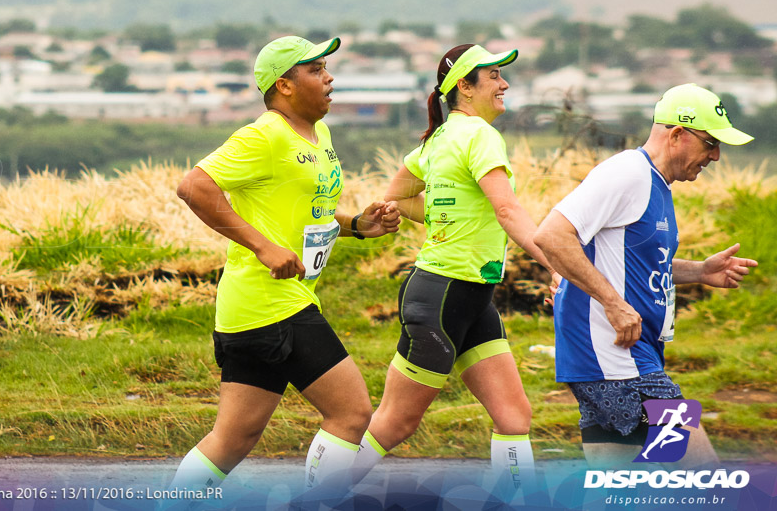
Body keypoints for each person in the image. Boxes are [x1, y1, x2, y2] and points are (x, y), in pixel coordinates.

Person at [168, 35, 401, 498]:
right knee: (352, 414)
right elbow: (194, 186)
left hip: (256, 309)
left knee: (233, 440)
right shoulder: (265, 134)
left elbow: (308, 210)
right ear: (285, 86)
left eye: (327, 68)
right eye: (316, 70)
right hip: (271, 302)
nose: (329, 78)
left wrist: (356, 224)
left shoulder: (319, 135)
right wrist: (262, 247)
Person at [351, 44, 558, 499]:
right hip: (442, 296)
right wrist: (556, 265)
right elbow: (507, 208)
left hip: (470, 299)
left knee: (513, 415)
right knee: (396, 422)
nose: (505, 85)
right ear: (464, 86)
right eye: (495, 77)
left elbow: (399, 197)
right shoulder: (479, 135)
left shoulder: (441, 139)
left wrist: (447, 215)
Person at [533, 83, 758, 469]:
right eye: (710, 143)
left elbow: (629, 262)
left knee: (619, 492)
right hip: (620, 362)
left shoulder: (655, 184)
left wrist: (700, 271)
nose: (716, 156)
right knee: (705, 476)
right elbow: (551, 235)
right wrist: (613, 303)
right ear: (677, 135)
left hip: (616, 360)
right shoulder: (628, 174)